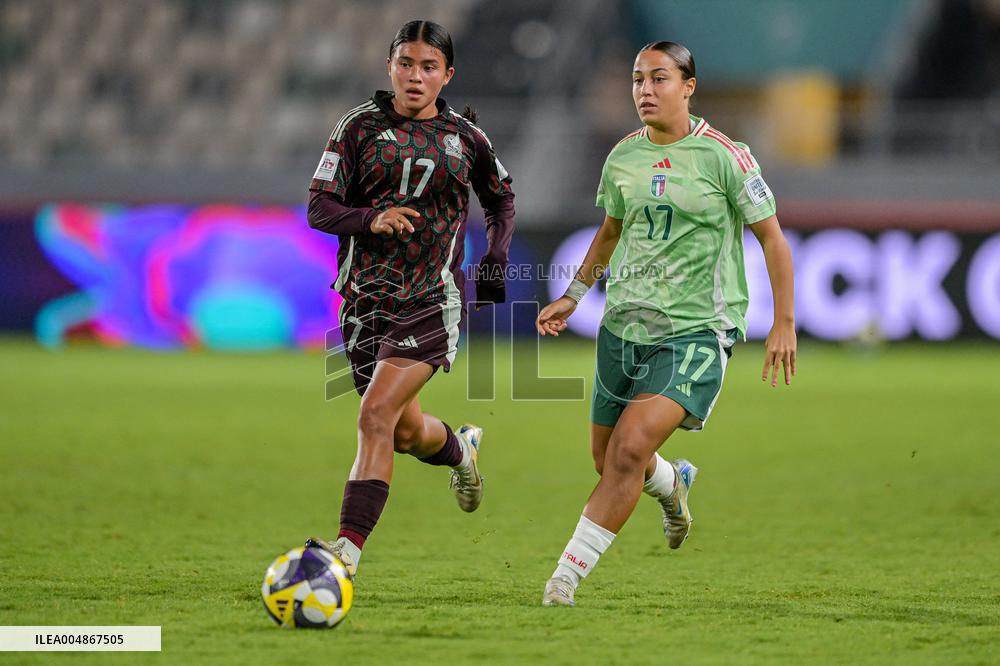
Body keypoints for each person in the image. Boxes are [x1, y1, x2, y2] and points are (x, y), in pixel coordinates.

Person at [535, 41, 795, 606]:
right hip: (624, 324)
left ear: (689, 86)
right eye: (637, 80)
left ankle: (564, 580)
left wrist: (785, 322)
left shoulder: (726, 155)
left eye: (658, 79)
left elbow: (772, 236)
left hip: (698, 331)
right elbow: (609, 232)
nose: (645, 91)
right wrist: (575, 294)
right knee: (609, 462)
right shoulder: (622, 156)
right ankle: (672, 484)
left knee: (628, 451)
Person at [304, 20, 515, 577]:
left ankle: (346, 552)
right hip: (364, 302)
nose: (415, 76)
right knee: (401, 431)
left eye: (428, 67)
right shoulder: (357, 128)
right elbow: (319, 208)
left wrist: (495, 260)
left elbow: (501, 200)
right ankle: (458, 449)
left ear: (448, 75)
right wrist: (372, 217)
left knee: (374, 415)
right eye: (406, 63)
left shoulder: (467, 139)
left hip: (431, 296)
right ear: (389, 66)